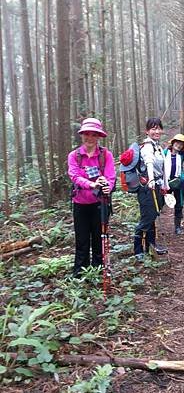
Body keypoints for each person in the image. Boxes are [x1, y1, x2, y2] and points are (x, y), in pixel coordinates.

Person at [68, 118, 116, 277]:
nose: (90, 138)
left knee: (99, 239)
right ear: (82, 135)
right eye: (86, 134)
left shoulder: (105, 155)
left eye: (94, 134)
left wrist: (107, 187)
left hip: (100, 204)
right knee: (81, 240)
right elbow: (74, 176)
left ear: (98, 136)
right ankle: (80, 273)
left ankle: (98, 270)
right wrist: (92, 184)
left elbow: (110, 177)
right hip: (80, 204)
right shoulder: (74, 156)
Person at [134, 117, 169, 260]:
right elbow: (148, 163)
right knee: (147, 218)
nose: (156, 131)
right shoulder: (147, 146)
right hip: (147, 187)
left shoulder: (158, 147)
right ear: (147, 131)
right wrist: (151, 180)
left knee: (153, 216)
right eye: (153, 128)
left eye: (158, 128)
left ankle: (151, 246)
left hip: (158, 185)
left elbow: (164, 167)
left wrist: (165, 185)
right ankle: (138, 250)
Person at [164, 134, 184, 235]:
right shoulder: (165, 153)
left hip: (178, 182)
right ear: (173, 142)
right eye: (177, 143)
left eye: (181, 144)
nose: (178, 145)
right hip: (166, 182)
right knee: (161, 202)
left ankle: (177, 226)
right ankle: (155, 225)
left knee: (179, 204)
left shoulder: (181, 155)